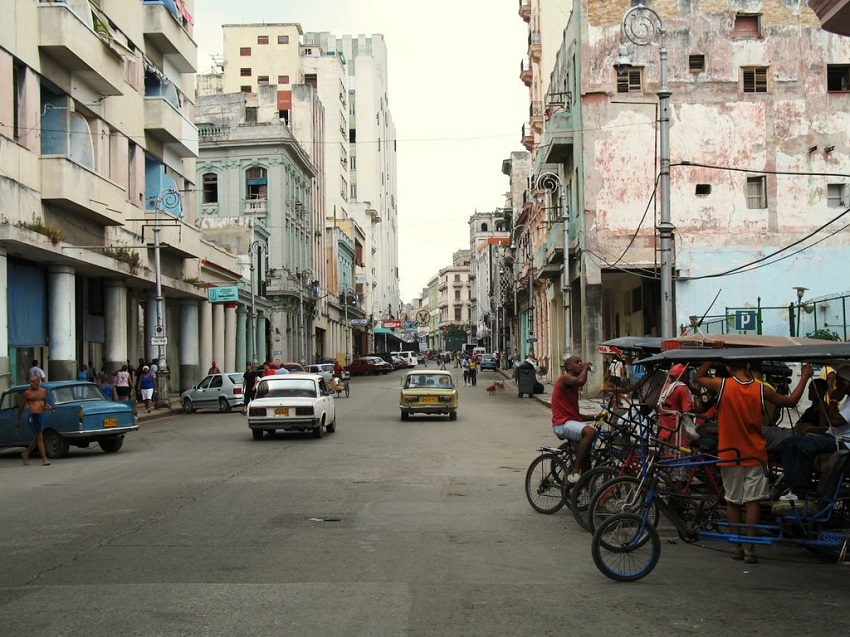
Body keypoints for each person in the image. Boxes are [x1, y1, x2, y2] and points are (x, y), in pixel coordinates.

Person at [695, 359, 812, 564]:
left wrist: (711, 357)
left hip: (729, 453)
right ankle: (750, 549)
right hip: (755, 453)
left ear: (729, 368)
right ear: (748, 366)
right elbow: (791, 401)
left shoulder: (722, 385)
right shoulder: (760, 389)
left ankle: (735, 546)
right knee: (752, 502)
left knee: (732, 500)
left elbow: (698, 377)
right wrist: (804, 376)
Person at [779, 365, 850, 501]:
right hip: (831, 437)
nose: (838, 386)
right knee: (787, 444)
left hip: (843, 443)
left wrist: (834, 400)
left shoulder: (839, 400)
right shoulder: (847, 399)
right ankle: (794, 488)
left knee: (806, 446)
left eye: (841, 383)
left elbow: (835, 421)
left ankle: (801, 491)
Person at [551, 356, 597, 484]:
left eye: (581, 362)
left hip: (570, 423)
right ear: (569, 367)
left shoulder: (572, 386)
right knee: (590, 432)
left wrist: (596, 417)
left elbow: (577, 416)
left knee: (586, 459)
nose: (581, 364)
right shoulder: (565, 378)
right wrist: (586, 368)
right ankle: (575, 471)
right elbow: (580, 381)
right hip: (561, 425)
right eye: (577, 362)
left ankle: (583, 490)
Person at [16, 375, 54, 466]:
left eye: (33, 381)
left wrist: (47, 406)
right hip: (33, 417)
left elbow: (44, 403)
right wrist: (17, 420)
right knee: (40, 437)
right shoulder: (27, 393)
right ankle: (44, 459)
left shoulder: (43, 391)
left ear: (38, 381)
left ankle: (25, 454)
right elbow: (21, 407)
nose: (31, 383)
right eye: (30, 382)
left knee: (37, 438)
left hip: (42, 416)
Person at [656, 364, 695, 446]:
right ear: (682, 375)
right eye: (687, 373)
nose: (689, 376)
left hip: (664, 431)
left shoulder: (666, 386)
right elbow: (688, 410)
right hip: (678, 434)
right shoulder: (682, 388)